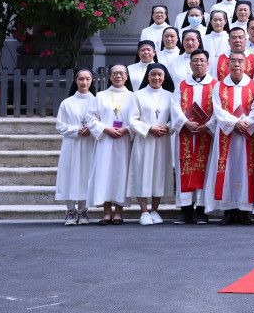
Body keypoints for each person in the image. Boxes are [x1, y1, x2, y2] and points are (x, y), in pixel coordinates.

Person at [208, 52, 254, 225]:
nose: (237, 64)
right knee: (227, 169)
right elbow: (217, 109)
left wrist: (245, 123)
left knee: (246, 170)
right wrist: (235, 122)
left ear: (246, 65)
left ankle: (244, 211)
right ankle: (228, 211)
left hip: (247, 136)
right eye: (233, 61)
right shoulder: (219, 86)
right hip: (227, 135)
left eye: (240, 61)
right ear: (227, 65)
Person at [170, 49, 217, 225]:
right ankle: (186, 210)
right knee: (186, 169)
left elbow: (219, 108)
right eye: (195, 60)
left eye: (202, 60)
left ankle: (202, 210)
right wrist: (186, 123)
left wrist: (208, 125)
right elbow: (175, 107)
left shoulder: (215, 85)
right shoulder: (182, 85)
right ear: (190, 64)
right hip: (186, 134)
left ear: (208, 63)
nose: (198, 63)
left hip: (206, 134)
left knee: (205, 170)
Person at [127, 63, 174, 225]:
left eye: (160, 75)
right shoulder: (138, 95)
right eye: (153, 74)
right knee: (142, 174)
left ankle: (155, 210)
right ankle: (144, 211)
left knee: (159, 174)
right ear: (147, 76)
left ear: (164, 77)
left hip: (162, 141)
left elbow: (174, 118)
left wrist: (167, 127)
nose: (156, 78)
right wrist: (149, 128)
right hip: (144, 140)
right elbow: (132, 120)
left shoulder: (170, 95)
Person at [87, 65, 134, 224]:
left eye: (121, 73)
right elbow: (91, 118)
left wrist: (127, 129)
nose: (118, 76)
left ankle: (119, 212)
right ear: (109, 76)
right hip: (105, 140)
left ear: (127, 76)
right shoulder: (99, 96)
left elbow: (137, 118)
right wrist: (105, 128)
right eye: (115, 73)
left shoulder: (133, 97)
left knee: (120, 174)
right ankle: (107, 212)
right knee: (104, 174)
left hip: (123, 141)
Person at [54, 68, 97, 225]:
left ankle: (83, 211)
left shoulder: (97, 101)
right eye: (81, 79)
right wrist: (76, 129)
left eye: (87, 79)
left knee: (86, 175)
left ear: (92, 81)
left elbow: (101, 122)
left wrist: (91, 130)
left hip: (89, 143)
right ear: (76, 81)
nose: (84, 82)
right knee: (70, 174)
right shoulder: (67, 103)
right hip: (72, 143)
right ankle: (70, 211)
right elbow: (60, 125)